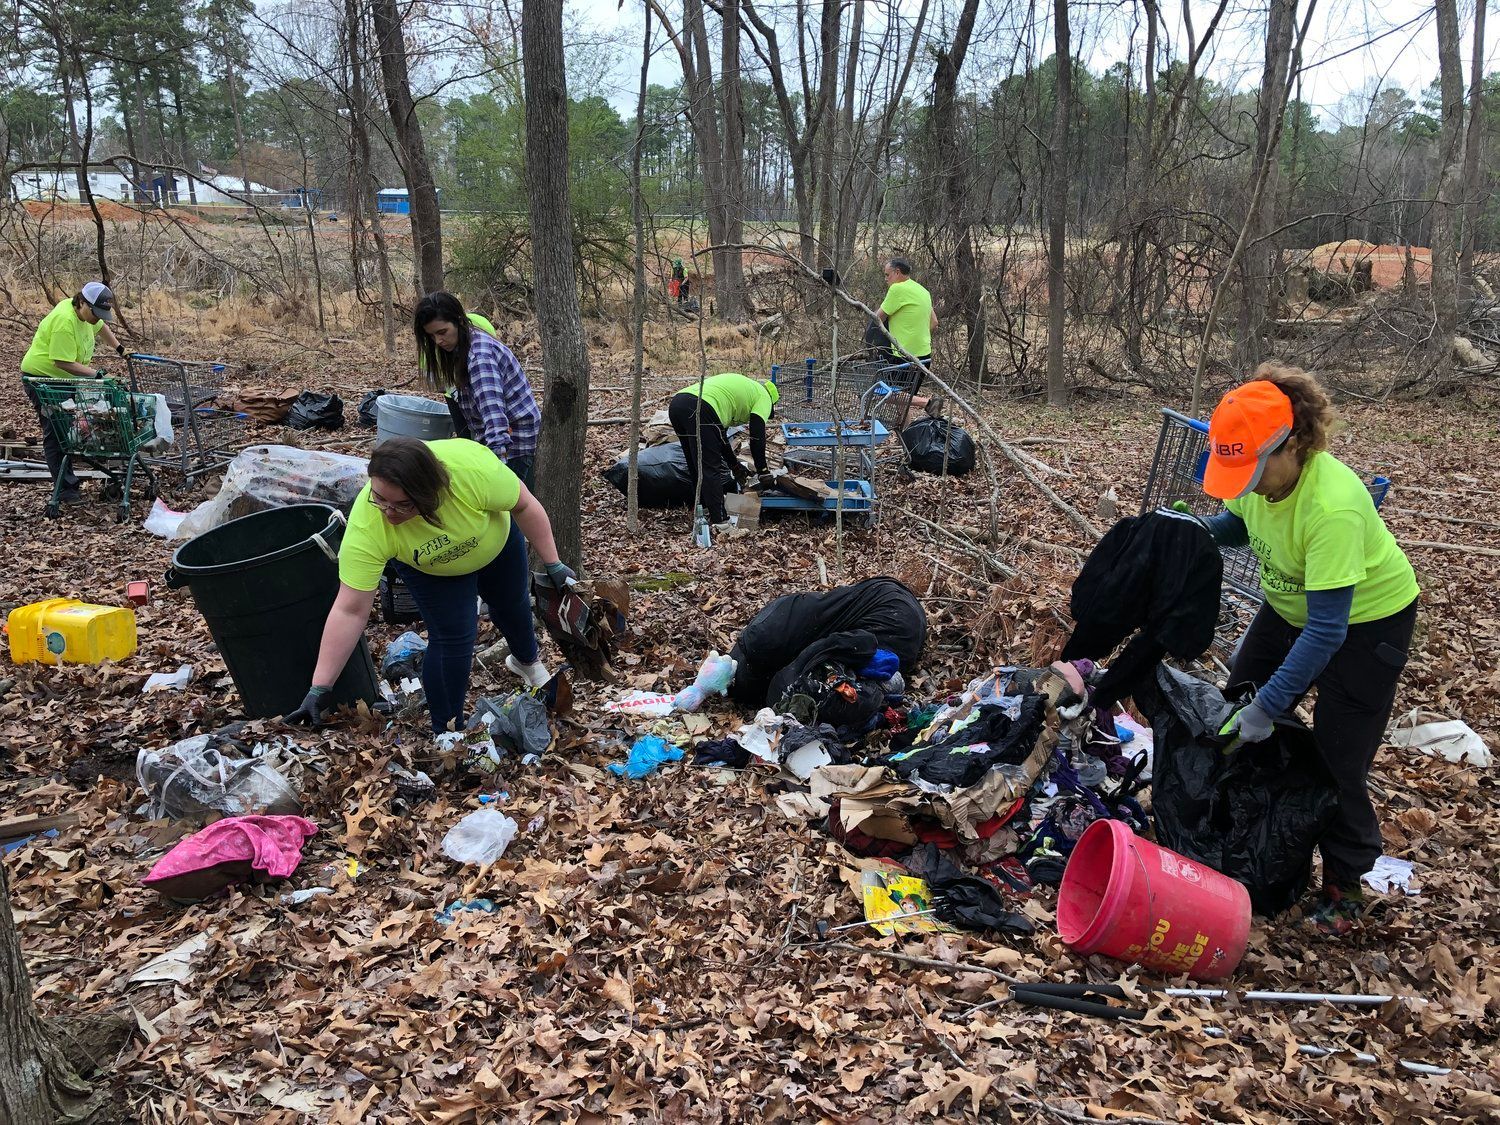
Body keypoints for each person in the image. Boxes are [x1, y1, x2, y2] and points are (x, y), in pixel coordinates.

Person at [1198, 365, 1420, 936]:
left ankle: (1346, 889)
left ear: (1292, 443)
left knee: (1336, 760)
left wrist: (1268, 708)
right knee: (1231, 707)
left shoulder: (1334, 506)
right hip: (1290, 604)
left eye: (1253, 470)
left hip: (1369, 627)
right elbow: (1238, 522)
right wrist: (1192, 531)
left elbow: (1327, 632)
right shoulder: (1261, 479)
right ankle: (1237, 836)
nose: (1245, 483)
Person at [286, 437, 576, 733]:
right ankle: (448, 732)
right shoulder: (368, 526)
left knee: (512, 605)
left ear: (432, 492)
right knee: (453, 638)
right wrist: (319, 687)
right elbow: (350, 610)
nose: (388, 512)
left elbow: (525, 505)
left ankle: (527, 662)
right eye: (380, 498)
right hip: (431, 570)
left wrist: (553, 563)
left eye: (403, 505)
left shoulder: (472, 472)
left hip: (496, 544)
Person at [413, 291, 540, 485]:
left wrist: (497, 471)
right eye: (431, 336)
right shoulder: (464, 345)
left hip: (514, 446)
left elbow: (495, 418)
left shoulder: (480, 357)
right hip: (503, 442)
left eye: (442, 332)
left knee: (508, 512)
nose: (438, 341)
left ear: (459, 321)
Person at [20, 282, 125, 503]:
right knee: (56, 432)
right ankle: (66, 490)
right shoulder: (64, 321)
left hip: (64, 381)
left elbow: (101, 327)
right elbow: (63, 362)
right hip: (43, 380)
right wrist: (98, 376)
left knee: (70, 429)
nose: (98, 318)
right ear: (82, 302)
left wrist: (120, 349)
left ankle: (69, 478)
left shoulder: (87, 316)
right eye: (96, 313)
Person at [668, 372, 779, 528]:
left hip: (678, 404)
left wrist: (734, 465)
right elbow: (757, 437)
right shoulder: (764, 398)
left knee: (695, 463)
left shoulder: (745, 391)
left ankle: (703, 509)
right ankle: (722, 523)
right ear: (773, 402)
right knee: (710, 467)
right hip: (702, 406)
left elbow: (720, 438)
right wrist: (763, 471)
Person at [876, 257, 936, 368]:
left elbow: (877, 318)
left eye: (887, 275)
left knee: (888, 384)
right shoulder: (923, 291)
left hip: (903, 357)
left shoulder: (897, 289)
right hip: (925, 357)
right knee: (910, 386)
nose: (886, 279)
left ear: (897, 272)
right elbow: (934, 322)